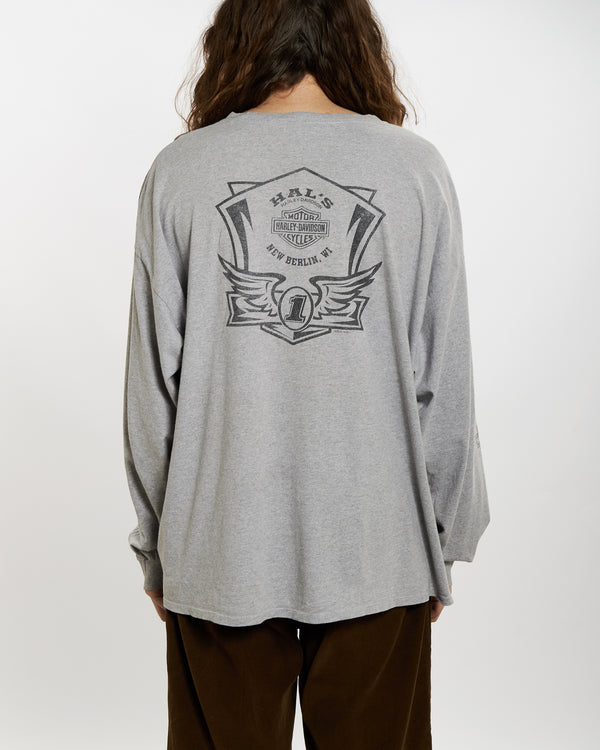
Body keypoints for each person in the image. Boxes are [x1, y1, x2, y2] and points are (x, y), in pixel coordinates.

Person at [122, 0, 491, 747]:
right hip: (379, 544)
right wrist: (443, 541)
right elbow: (443, 378)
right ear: (355, 40)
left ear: (235, 40)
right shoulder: (414, 169)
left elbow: (151, 389)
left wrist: (160, 548)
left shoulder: (181, 172)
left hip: (217, 544)